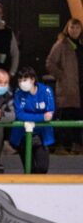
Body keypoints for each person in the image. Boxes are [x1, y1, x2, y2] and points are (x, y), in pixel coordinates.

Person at [45, 18, 83, 153]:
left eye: (77, 28)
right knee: (65, 117)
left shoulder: (80, 44)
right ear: (67, 29)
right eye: (72, 27)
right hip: (68, 89)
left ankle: (77, 145)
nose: (75, 30)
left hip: (80, 88)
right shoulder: (61, 44)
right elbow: (50, 63)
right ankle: (63, 146)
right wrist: (62, 76)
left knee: (79, 117)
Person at [10, 67, 54, 174]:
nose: (22, 83)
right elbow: (20, 115)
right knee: (29, 170)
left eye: (25, 79)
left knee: (42, 168)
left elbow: (49, 113)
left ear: (33, 79)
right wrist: (42, 117)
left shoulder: (46, 91)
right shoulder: (18, 93)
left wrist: (39, 117)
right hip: (23, 136)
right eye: (20, 80)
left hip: (41, 136)